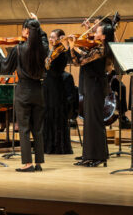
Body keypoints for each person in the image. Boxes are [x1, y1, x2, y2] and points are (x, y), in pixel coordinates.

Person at [0, 14, 48, 171]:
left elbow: (4, 68)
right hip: (38, 90)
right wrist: (38, 23)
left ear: (26, 31)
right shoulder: (44, 48)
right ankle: (38, 162)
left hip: (23, 91)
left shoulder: (18, 49)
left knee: (24, 128)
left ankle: (27, 163)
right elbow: (42, 38)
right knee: (38, 128)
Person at [68, 20, 114, 167]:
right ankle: (89, 156)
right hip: (90, 86)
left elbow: (82, 61)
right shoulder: (96, 48)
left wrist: (73, 46)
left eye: (98, 32)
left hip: (96, 86)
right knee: (90, 122)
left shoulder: (102, 49)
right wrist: (72, 47)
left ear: (104, 36)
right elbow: (78, 61)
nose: (95, 33)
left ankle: (99, 157)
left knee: (95, 122)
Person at [42, 29, 73, 154]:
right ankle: (47, 146)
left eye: (53, 37)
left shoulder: (62, 53)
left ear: (60, 38)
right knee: (47, 114)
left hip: (56, 87)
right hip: (48, 86)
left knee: (56, 115)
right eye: (50, 37)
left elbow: (56, 71)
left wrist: (48, 63)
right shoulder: (51, 52)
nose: (50, 39)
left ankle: (57, 146)